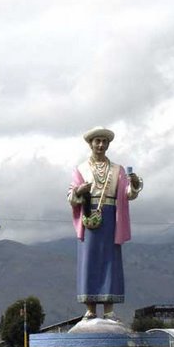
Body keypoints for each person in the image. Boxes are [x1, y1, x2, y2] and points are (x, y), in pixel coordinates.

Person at [68, 126, 143, 320]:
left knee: (110, 260)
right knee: (89, 259)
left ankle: (109, 309)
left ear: (108, 144)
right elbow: (70, 194)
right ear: (91, 144)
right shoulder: (81, 169)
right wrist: (79, 191)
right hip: (89, 216)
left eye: (104, 141)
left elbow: (127, 194)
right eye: (97, 141)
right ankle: (90, 309)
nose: (101, 145)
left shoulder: (117, 169)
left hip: (110, 217)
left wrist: (134, 184)